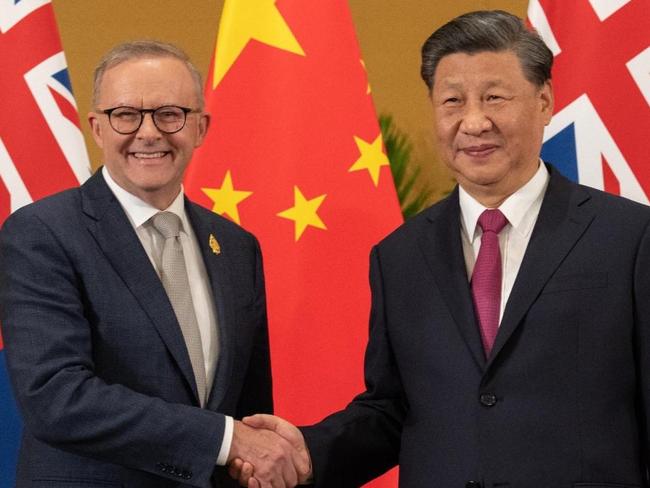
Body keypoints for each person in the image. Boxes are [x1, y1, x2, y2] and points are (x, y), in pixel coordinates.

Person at [231, 10, 650, 488]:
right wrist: (308, 452)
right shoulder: (400, 256)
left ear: (544, 101)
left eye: (494, 97)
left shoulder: (630, 238)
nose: (474, 121)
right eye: (453, 101)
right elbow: (393, 410)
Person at [0, 41, 308, 488]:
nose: (149, 133)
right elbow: (55, 396)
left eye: (170, 113)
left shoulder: (237, 247)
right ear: (96, 127)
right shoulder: (42, 233)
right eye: (126, 114)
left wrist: (250, 451)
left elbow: (247, 408)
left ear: (201, 127)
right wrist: (226, 440)